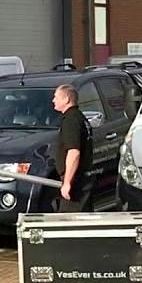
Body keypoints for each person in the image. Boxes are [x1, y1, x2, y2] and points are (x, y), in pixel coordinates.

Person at [52, 84, 94, 212]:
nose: (53, 100)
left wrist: (67, 183)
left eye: (56, 97)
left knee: (69, 223)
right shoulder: (79, 117)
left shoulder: (71, 120)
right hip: (83, 179)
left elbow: (74, 152)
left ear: (66, 100)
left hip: (77, 183)